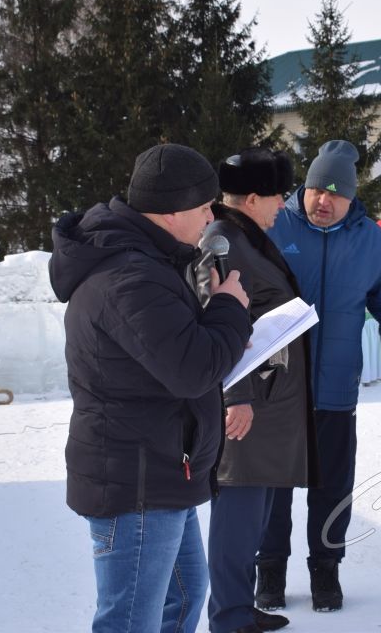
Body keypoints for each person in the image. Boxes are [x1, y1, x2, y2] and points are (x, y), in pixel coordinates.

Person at [48, 143, 253, 633]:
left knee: (181, 600)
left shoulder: (147, 261)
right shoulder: (129, 276)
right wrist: (229, 308)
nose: (212, 216)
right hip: (137, 479)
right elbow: (192, 367)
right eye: (205, 207)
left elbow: (174, 353)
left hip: (162, 469)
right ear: (172, 211)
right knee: (130, 621)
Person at [256, 140, 381, 612]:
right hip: (276, 387)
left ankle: (325, 570)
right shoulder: (275, 225)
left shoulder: (370, 239)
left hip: (335, 388)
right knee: (273, 485)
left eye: (335, 194)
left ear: (351, 198)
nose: (322, 201)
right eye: (314, 190)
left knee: (332, 486)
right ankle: (270, 572)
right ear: (302, 190)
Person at [193, 148, 314, 633]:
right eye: (278, 195)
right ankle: (228, 615)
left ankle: (239, 608)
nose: (284, 204)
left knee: (255, 512)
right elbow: (215, 314)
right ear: (252, 198)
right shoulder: (221, 241)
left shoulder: (247, 236)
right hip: (250, 404)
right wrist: (235, 394)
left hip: (269, 402)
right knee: (239, 514)